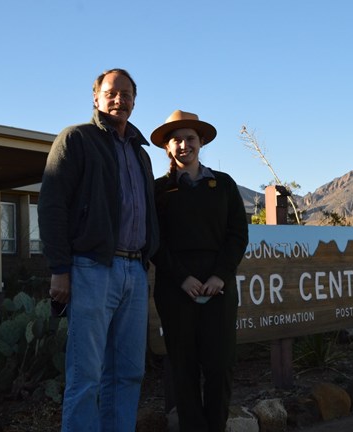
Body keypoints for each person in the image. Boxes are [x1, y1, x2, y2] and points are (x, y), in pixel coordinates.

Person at [37, 68, 159, 432]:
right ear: (96, 97)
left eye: (126, 93)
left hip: (135, 272)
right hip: (91, 269)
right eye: (111, 92)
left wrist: (149, 257)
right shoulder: (76, 139)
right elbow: (52, 205)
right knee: (86, 376)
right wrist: (60, 268)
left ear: (135, 101)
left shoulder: (141, 154)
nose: (119, 99)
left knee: (129, 373)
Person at [150, 110, 249, 431]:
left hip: (219, 288)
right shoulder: (158, 190)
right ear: (167, 147)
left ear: (201, 142)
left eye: (190, 138)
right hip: (175, 290)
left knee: (220, 365)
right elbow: (153, 241)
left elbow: (237, 234)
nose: (183, 145)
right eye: (176, 139)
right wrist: (182, 278)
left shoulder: (222, 184)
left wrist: (221, 274)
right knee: (184, 368)